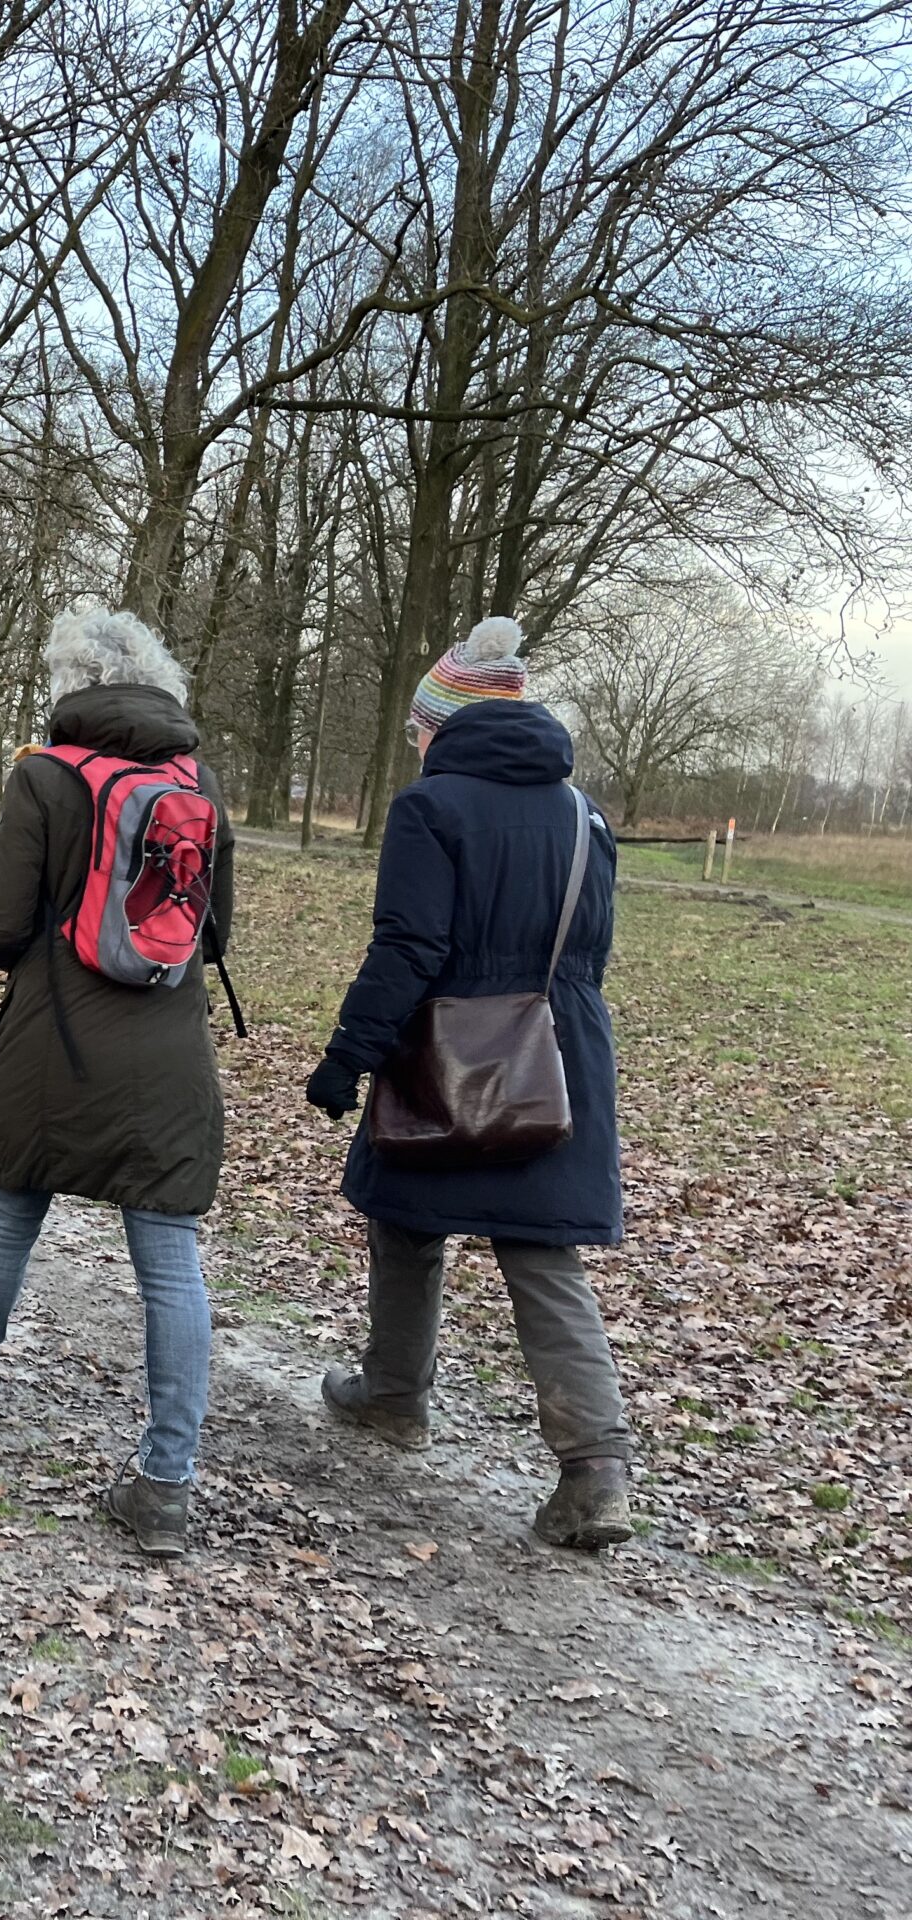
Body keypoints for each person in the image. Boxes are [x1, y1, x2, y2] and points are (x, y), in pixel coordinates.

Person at [0, 604, 236, 1560]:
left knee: (10, 1209)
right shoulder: (196, 779)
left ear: (68, 685)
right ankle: (165, 1482)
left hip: (57, 1044)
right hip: (169, 1054)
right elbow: (214, 934)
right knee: (170, 1259)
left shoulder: (43, 777)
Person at [305, 616, 633, 1551]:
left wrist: (347, 1058)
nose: (415, 744)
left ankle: (395, 1397)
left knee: (407, 1220)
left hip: (446, 1051)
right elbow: (590, 952)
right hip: (557, 1053)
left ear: (442, 725)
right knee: (540, 1253)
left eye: (420, 728)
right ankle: (596, 1467)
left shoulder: (430, 807)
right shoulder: (586, 812)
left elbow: (409, 946)